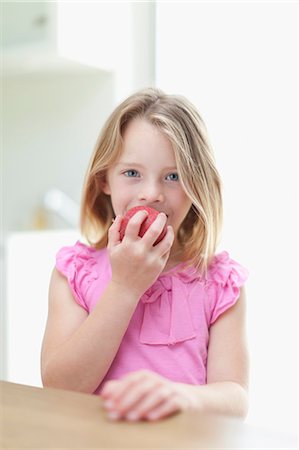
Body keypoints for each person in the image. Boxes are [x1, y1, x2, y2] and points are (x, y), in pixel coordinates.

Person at [41, 87, 249, 422]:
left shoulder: (219, 283)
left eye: (173, 176)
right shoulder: (76, 273)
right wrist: (124, 287)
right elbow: (60, 386)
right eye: (132, 173)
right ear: (104, 180)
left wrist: (182, 396)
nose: (151, 194)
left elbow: (235, 398)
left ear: (197, 186)